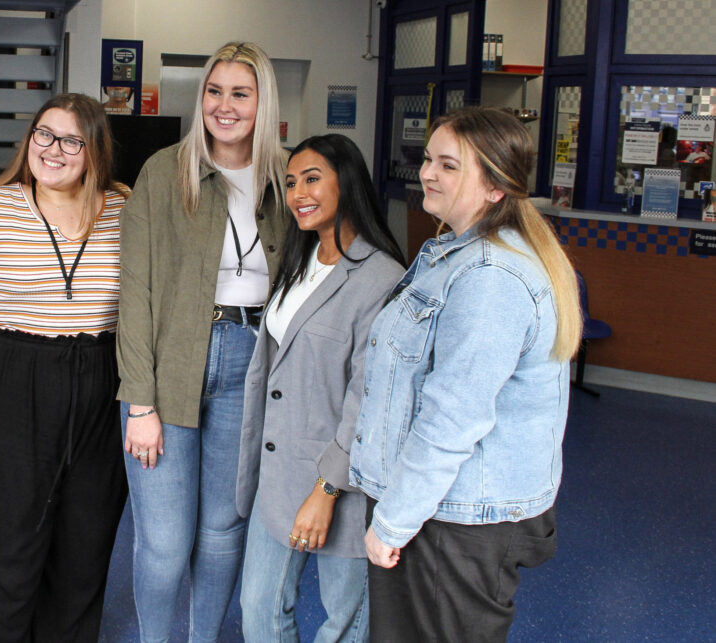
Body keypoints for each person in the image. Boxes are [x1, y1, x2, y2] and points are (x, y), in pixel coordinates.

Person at [349, 106, 582, 642]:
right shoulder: (455, 253)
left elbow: (452, 417)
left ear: (496, 187)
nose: (428, 172)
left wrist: (394, 520)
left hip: (453, 523)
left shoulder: (489, 276)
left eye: (449, 166)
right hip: (442, 512)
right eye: (428, 159)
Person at [0, 93, 130, 642]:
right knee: (8, 548)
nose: (54, 149)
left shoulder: (124, 207)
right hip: (11, 379)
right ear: (29, 139)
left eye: (71, 140)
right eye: (44, 134)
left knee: (85, 547)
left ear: (94, 150)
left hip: (100, 381)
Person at [115, 42, 288, 641]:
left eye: (240, 93)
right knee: (163, 543)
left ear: (263, 100)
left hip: (252, 361)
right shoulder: (165, 171)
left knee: (221, 533)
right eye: (214, 92)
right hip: (169, 366)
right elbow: (133, 293)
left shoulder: (289, 179)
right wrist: (140, 403)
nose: (224, 105)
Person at [236, 134, 406, 642]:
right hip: (278, 474)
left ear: (346, 183)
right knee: (259, 609)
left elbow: (370, 398)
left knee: (345, 623)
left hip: (341, 485)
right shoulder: (297, 260)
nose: (298, 193)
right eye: (290, 183)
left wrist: (326, 489)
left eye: (312, 179)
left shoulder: (381, 279)